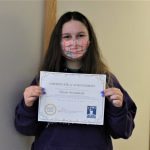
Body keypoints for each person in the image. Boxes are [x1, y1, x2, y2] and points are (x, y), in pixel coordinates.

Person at [14, 11, 137, 150]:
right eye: (67, 37)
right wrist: (27, 106)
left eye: (80, 36)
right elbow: (25, 129)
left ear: (90, 40)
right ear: (58, 42)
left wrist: (118, 109)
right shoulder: (44, 81)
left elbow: (123, 131)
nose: (74, 42)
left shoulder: (106, 80)